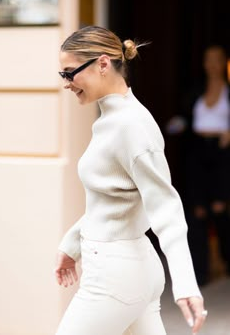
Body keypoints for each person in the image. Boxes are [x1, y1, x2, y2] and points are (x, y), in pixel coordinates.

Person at [54, 25, 207, 335]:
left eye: (70, 73)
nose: (67, 83)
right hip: (127, 267)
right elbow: (114, 199)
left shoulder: (130, 125)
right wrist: (72, 245)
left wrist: (187, 284)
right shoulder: (113, 120)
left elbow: (166, 208)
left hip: (114, 275)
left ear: (101, 63)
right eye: (63, 75)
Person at [166, 45, 230, 286]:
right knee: (198, 212)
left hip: (222, 155)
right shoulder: (196, 91)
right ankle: (200, 273)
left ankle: (225, 259)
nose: (211, 64)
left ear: (224, 62)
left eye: (216, 60)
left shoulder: (228, 91)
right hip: (198, 154)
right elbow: (184, 118)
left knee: (220, 209)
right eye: (208, 60)